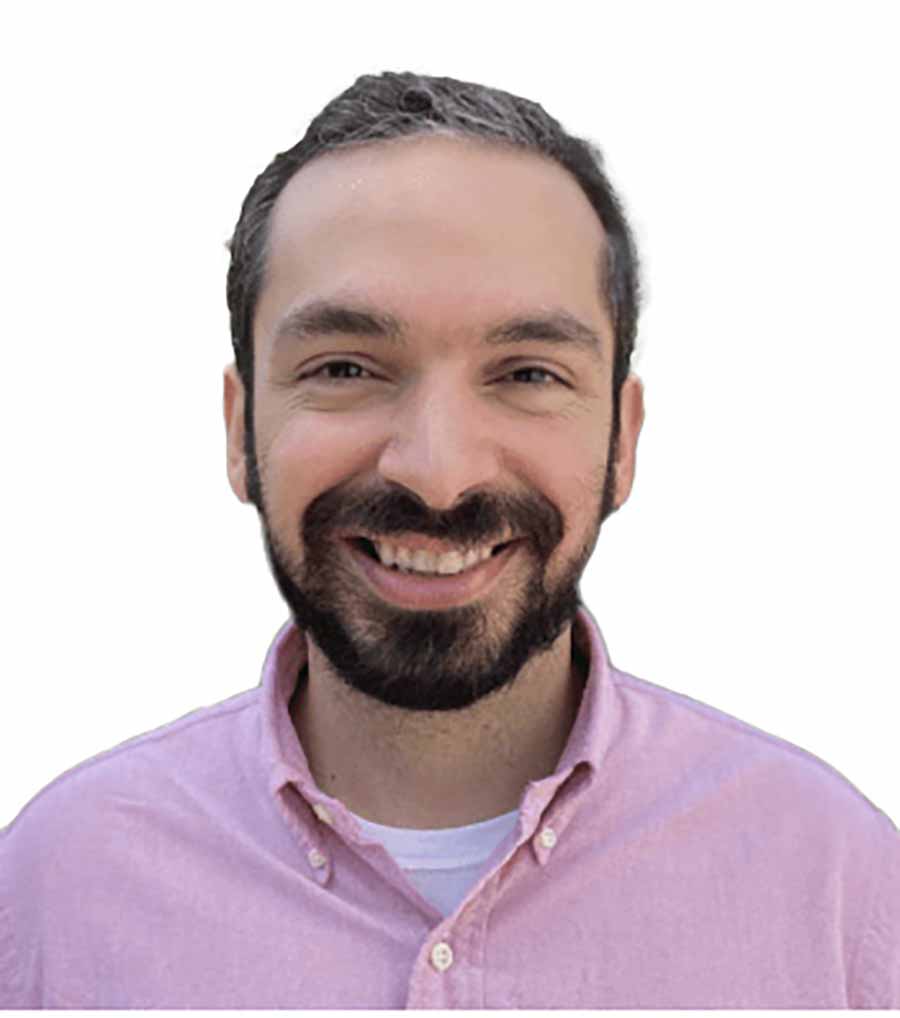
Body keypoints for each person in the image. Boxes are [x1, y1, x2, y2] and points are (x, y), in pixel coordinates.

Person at [1, 70, 897, 1010]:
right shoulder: (55, 889)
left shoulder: (842, 890)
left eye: (527, 374)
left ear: (623, 441)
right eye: (345, 368)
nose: (438, 474)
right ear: (239, 429)